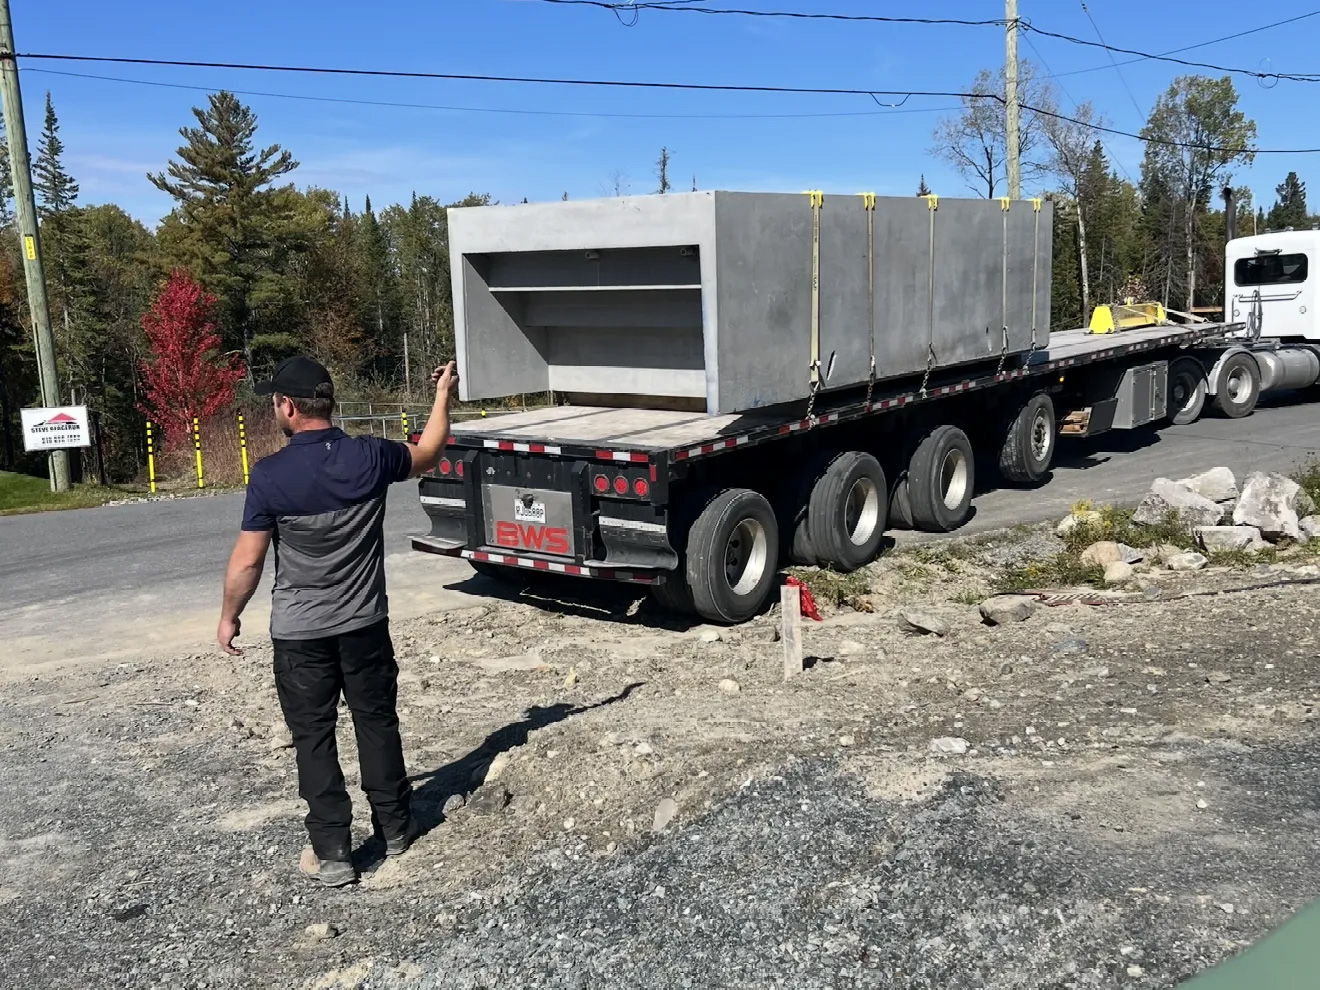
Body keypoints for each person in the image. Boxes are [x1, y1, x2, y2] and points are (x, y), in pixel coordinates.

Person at [217, 354, 458, 887]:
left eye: (274, 402)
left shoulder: (270, 476)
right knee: (376, 721)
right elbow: (431, 451)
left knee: (313, 737)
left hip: (300, 636)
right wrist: (442, 396)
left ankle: (332, 853)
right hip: (365, 623)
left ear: (288, 406)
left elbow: (248, 561)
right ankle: (396, 829)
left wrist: (230, 616)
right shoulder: (370, 457)